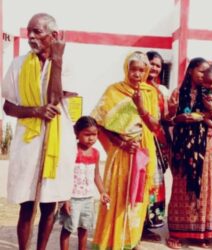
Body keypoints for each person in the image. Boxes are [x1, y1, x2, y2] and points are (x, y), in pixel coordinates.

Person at [2, 13, 76, 250]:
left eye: (37, 32)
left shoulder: (67, 62)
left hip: (58, 141)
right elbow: (8, 106)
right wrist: (36, 111)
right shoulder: (18, 64)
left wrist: (57, 59)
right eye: (28, 32)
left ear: (54, 35)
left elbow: (55, 99)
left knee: (49, 204)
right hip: (28, 141)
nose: (31, 37)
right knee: (26, 203)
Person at [91, 51, 160, 250]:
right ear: (126, 69)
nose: (137, 74)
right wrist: (121, 142)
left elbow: (154, 125)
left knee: (137, 197)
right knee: (117, 196)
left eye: (141, 70)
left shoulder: (149, 93)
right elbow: (99, 123)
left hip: (142, 152)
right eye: (133, 69)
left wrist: (140, 107)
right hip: (121, 153)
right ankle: (111, 241)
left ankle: (131, 240)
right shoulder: (114, 91)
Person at [166, 57, 212, 249]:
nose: (204, 75)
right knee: (181, 188)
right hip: (182, 146)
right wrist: (178, 117)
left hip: (203, 146)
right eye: (201, 71)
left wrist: (211, 112)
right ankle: (176, 232)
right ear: (190, 70)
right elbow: (168, 120)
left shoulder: (209, 93)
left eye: (207, 72)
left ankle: (200, 232)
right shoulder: (177, 92)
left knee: (203, 188)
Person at [59, 116, 110, 250]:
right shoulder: (72, 152)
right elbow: (65, 175)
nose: (91, 138)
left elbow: (96, 175)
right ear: (77, 133)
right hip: (72, 199)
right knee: (68, 229)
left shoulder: (96, 153)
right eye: (87, 134)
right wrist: (66, 199)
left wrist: (102, 192)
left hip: (88, 198)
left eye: (95, 134)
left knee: (84, 228)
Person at [141, 50, 170, 241]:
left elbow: (165, 118)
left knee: (154, 184)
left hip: (157, 142)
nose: (154, 68)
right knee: (140, 182)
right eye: (151, 63)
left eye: (158, 65)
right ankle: (134, 225)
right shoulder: (135, 86)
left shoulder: (161, 90)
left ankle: (147, 226)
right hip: (139, 141)